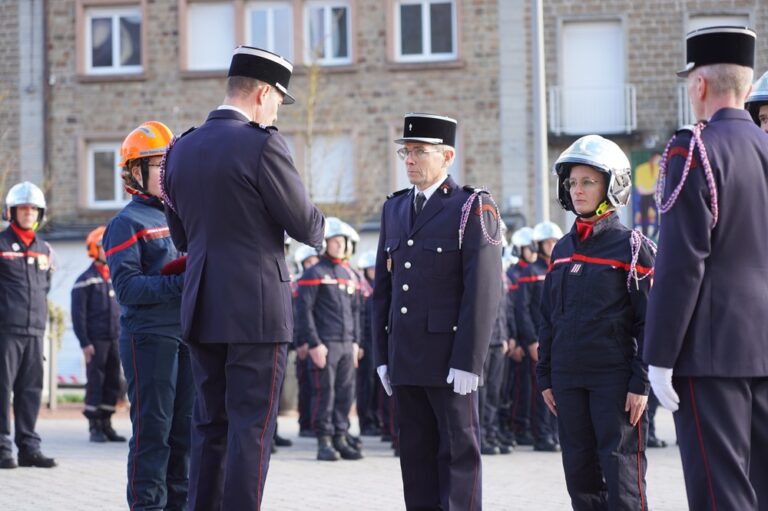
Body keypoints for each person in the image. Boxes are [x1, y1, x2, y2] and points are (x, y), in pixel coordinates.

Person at [161, 46, 324, 510]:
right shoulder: (263, 144)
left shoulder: (180, 149)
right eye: (278, 101)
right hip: (255, 309)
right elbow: (306, 225)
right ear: (262, 93)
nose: (277, 111)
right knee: (251, 427)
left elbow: (181, 237)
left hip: (202, 302)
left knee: (210, 424)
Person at [644, 26, 768, 511]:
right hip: (761, 347)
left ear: (699, 84)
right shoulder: (763, 148)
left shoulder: (692, 149)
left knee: (720, 494)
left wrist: (659, 356)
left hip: (710, 351)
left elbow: (681, 262)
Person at [372, 113, 502, 510]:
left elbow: (483, 291)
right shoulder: (394, 208)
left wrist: (469, 361)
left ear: (447, 156)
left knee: (458, 459)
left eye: (419, 152)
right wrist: (382, 356)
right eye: (406, 151)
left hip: (449, 363)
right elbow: (382, 292)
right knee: (416, 460)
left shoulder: (471, 208)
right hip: (406, 358)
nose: (410, 159)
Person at [538, 134, 655, 510]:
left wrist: (641, 383)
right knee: (581, 479)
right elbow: (548, 319)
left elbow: (649, 323)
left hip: (615, 383)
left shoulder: (633, 247)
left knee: (622, 480)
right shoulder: (561, 249)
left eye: (588, 181)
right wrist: (546, 377)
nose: (577, 190)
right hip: (569, 382)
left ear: (612, 184)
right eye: (572, 182)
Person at [103, 121, 192, 510]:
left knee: (184, 434)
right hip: (149, 337)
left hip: (187, 333)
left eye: (168, 164)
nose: (165, 173)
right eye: (156, 165)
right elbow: (128, 290)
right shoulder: (126, 223)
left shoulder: (182, 217)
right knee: (153, 434)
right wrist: (180, 284)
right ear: (135, 172)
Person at [296, 217, 363, 461]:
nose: (339, 246)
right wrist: (314, 343)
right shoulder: (314, 273)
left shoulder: (349, 274)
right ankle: (324, 440)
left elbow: (356, 311)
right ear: (324, 244)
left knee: (346, 393)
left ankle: (340, 437)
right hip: (325, 344)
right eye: (334, 241)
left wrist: (356, 342)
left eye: (341, 242)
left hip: (347, 344)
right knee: (325, 393)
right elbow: (304, 311)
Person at [0, 181, 56, 469]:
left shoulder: (44, 249)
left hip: (34, 331)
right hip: (5, 331)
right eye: (22, 208)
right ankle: (2, 449)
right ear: (11, 212)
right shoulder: (0, 244)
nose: (28, 213)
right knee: (2, 389)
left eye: (33, 208)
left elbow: (44, 288)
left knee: (30, 391)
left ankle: (29, 448)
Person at [71, 226, 124, 443]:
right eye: (103, 247)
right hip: (96, 341)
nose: (107, 251)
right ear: (94, 249)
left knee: (114, 381)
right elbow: (78, 316)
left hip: (116, 339)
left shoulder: (116, 277)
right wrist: (85, 343)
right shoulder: (85, 280)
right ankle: (94, 426)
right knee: (96, 381)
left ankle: (107, 423)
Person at [515, 223, 557, 452]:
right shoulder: (530, 273)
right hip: (538, 340)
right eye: (547, 242)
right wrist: (531, 340)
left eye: (554, 242)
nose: (551, 246)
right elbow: (522, 310)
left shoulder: (558, 268)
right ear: (539, 245)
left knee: (559, 388)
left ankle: (554, 432)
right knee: (540, 390)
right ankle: (541, 435)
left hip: (557, 340)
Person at [293, 244, 320, 437]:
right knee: (305, 386)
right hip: (303, 343)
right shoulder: (296, 285)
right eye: (308, 262)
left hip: (318, 340)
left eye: (314, 261)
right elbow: (297, 316)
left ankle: (314, 422)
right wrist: (300, 342)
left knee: (317, 387)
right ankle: (305, 424)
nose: (312, 265)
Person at [356, 250, 380, 437]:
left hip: (377, 341)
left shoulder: (379, 287)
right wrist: (361, 344)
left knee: (379, 384)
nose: (373, 271)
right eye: (370, 268)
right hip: (366, 343)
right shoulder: (362, 290)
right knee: (366, 384)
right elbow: (360, 319)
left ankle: (376, 419)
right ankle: (366, 421)